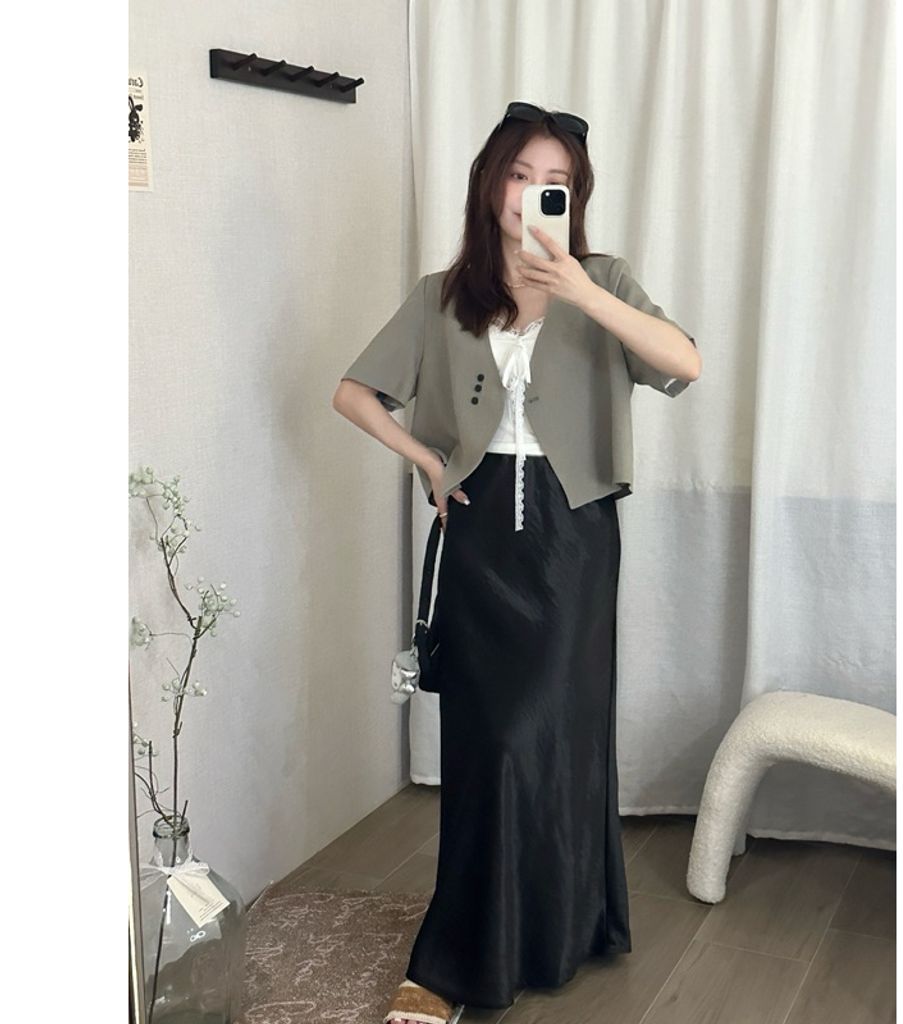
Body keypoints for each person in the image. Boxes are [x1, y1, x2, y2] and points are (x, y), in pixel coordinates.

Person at [333, 102, 700, 1024]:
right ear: (491, 182)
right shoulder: (443, 293)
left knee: (561, 736)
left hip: (574, 541)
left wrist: (581, 290)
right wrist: (427, 461)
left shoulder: (602, 278)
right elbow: (352, 392)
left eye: (556, 183)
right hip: (479, 532)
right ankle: (456, 959)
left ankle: (562, 927)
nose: (535, 193)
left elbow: (684, 364)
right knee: (488, 744)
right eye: (521, 174)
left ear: (573, 196)